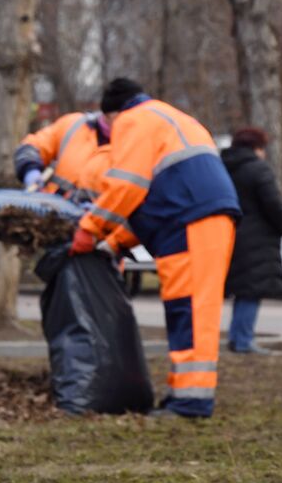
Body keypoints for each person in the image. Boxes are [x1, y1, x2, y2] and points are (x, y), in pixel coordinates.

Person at [71, 78, 240, 419]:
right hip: (199, 218)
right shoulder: (169, 117)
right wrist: (114, 242)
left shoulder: (133, 121)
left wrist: (90, 229)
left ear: (114, 114)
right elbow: (150, 199)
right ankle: (184, 396)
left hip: (190, 221)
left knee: (190, 312)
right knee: (189, 309)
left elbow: (127, 185)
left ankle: (191, 402)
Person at [221, 126, 282, 354]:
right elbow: (272, 203)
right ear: (256, 148)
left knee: (242, 290)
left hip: (230, 233)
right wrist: (281, 226)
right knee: (251, 291)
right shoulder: (258, 170)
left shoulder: (223, 168)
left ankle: (237, 337)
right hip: (257, 237)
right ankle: (243, 340)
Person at [14, 109, 109, 201]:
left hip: (96, 216)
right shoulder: (74, 124)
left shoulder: (122, 145)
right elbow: (31, 146)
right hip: (48, 208)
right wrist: (31, 171)